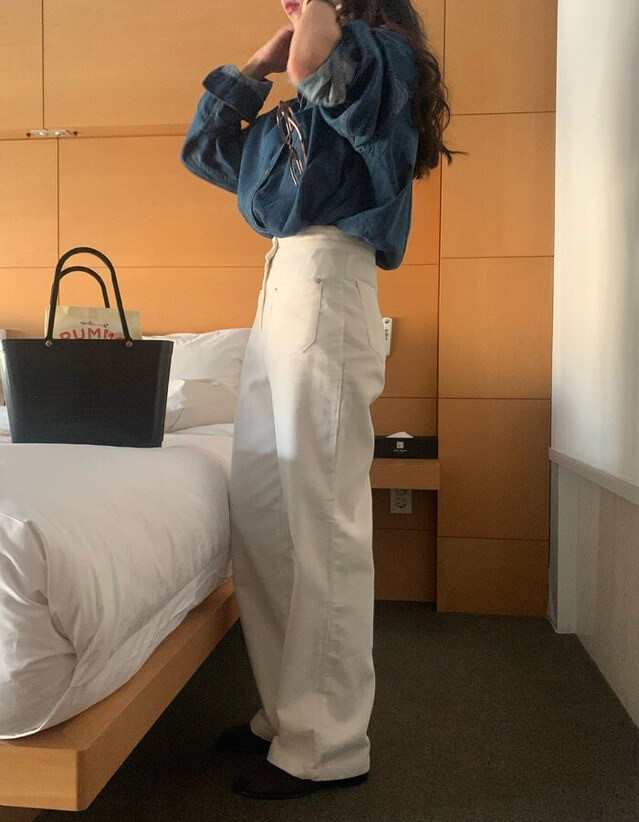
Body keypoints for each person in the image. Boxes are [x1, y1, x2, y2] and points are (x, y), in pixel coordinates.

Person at [181, 0, 452, 800]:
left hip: (330, 279)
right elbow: (205, 152)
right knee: (265, 519)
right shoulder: (300, 110)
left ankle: (329, 746)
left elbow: (318, 66)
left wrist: (310, 34)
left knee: (322, 526)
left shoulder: (379, 63)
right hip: (284, 282)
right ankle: (286, 714)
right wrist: (253, 69)